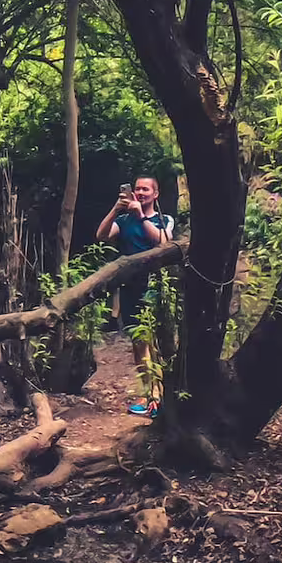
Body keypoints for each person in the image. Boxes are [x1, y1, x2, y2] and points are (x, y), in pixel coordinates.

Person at [96, 175, 174, 416]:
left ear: (155, 194)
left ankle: (161, 396)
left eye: (145, 189)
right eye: (137, 189)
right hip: (129, 288)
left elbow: (164, 243)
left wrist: (141, 216)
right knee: (138, 344)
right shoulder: (124, 220)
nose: (140, 193)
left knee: (156, 342)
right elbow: (102, 236)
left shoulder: (164, 219)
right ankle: (149, 394)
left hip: (154, 287)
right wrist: (115, 209)